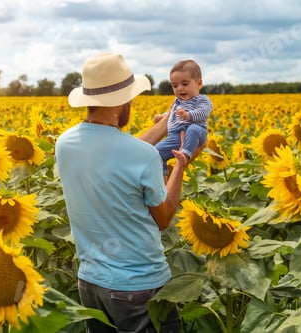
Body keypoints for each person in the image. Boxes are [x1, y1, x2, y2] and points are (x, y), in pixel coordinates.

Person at [55, 53, 202, 332]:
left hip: (90, 284)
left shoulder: (65, 143)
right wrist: (181, 164)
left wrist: (165, 123)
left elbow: (118, 152)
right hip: (139, 288)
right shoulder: (142, 156)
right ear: (121, 101)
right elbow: (164, 217)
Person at [153, 60, 212, 177]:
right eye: (175, 86)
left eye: (185, 84)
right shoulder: (177, 102)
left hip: (195, 132)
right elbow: (173, 114)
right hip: (175, 136)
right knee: (155, 152)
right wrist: (162, 117)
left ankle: (184, 155)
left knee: (193, 129)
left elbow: (204, 112)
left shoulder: (202, 100)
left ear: (199, 84)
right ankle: (163, 177)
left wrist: (188, 115)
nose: (180, 88)